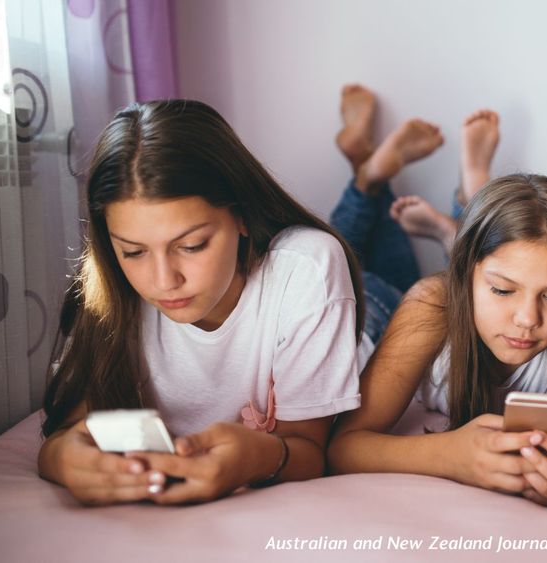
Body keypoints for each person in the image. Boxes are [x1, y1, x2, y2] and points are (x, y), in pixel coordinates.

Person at [37, 99, 368, 505]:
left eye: (192, 245)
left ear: (243, 215)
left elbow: (308, 449)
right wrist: (63, 460)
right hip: (307, 291)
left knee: (374, 263)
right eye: (134, 252)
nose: (164, 282)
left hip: (354, 318)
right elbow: (63, 436)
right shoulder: (109, 290)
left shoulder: (308, 267)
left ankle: (368, 182)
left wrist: (258, 457)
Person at [327, 171, 547, 506]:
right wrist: (451, 456)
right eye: (503, 290)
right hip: (380, 314)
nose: (528, 320)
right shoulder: (432, 304)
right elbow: (343, 446)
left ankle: (454, 225)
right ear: (464, 276)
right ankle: (372, 180)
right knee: (348, 263)